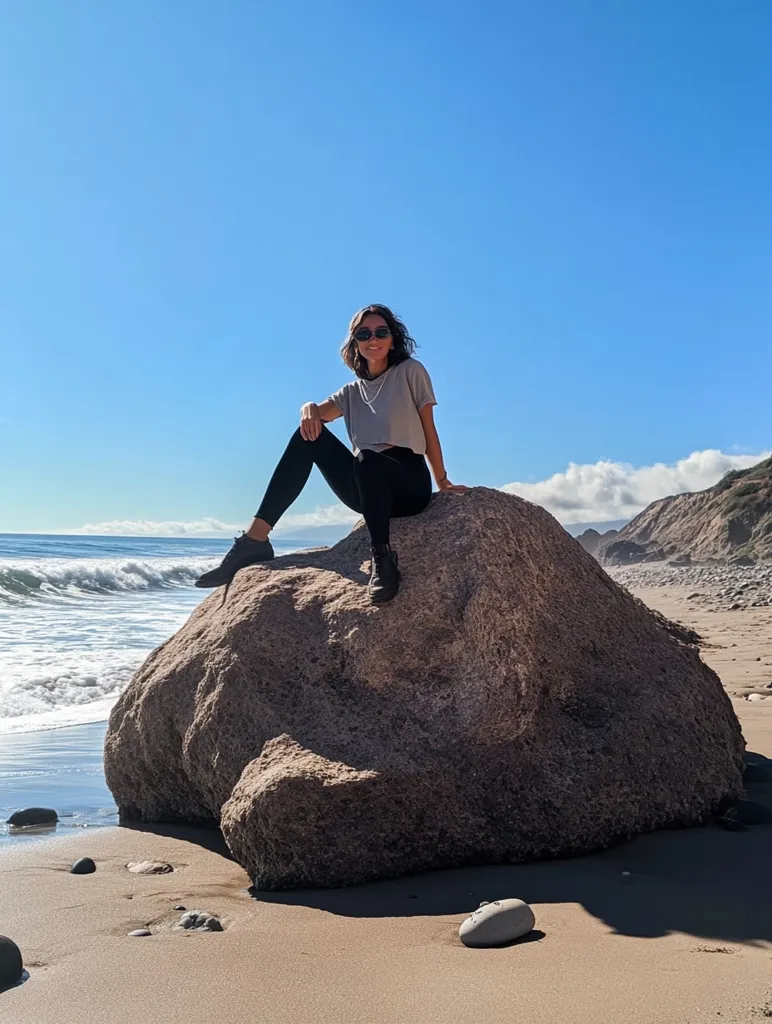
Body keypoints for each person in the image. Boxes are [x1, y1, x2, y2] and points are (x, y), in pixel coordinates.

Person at [195, 304, 467, 602]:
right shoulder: (351, 392)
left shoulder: (410, 372)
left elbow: (429, 428)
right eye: (364, 333)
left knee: (367, 459)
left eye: (381, 332)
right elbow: (314, 418)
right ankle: (255, 540)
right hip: (366, 489)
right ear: (355, 342)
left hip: (407, 484)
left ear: (393, 338)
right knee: (307, 436)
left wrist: (442, 480)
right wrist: (307, 406)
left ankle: (383, 560)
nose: (372, 339)